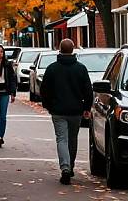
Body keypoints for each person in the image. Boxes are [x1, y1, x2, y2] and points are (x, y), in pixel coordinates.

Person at [40, 38, 93, 185]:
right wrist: (87, 108)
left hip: (58, 110)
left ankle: (65, 167)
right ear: (73, 50)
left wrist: (48, 105)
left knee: (61, 139)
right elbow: (88, 90)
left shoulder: (52, 69)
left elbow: (44, 90)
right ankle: (70, 166)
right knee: (72, 139)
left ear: (59, 49)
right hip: (76, 111)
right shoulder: (80, 68)